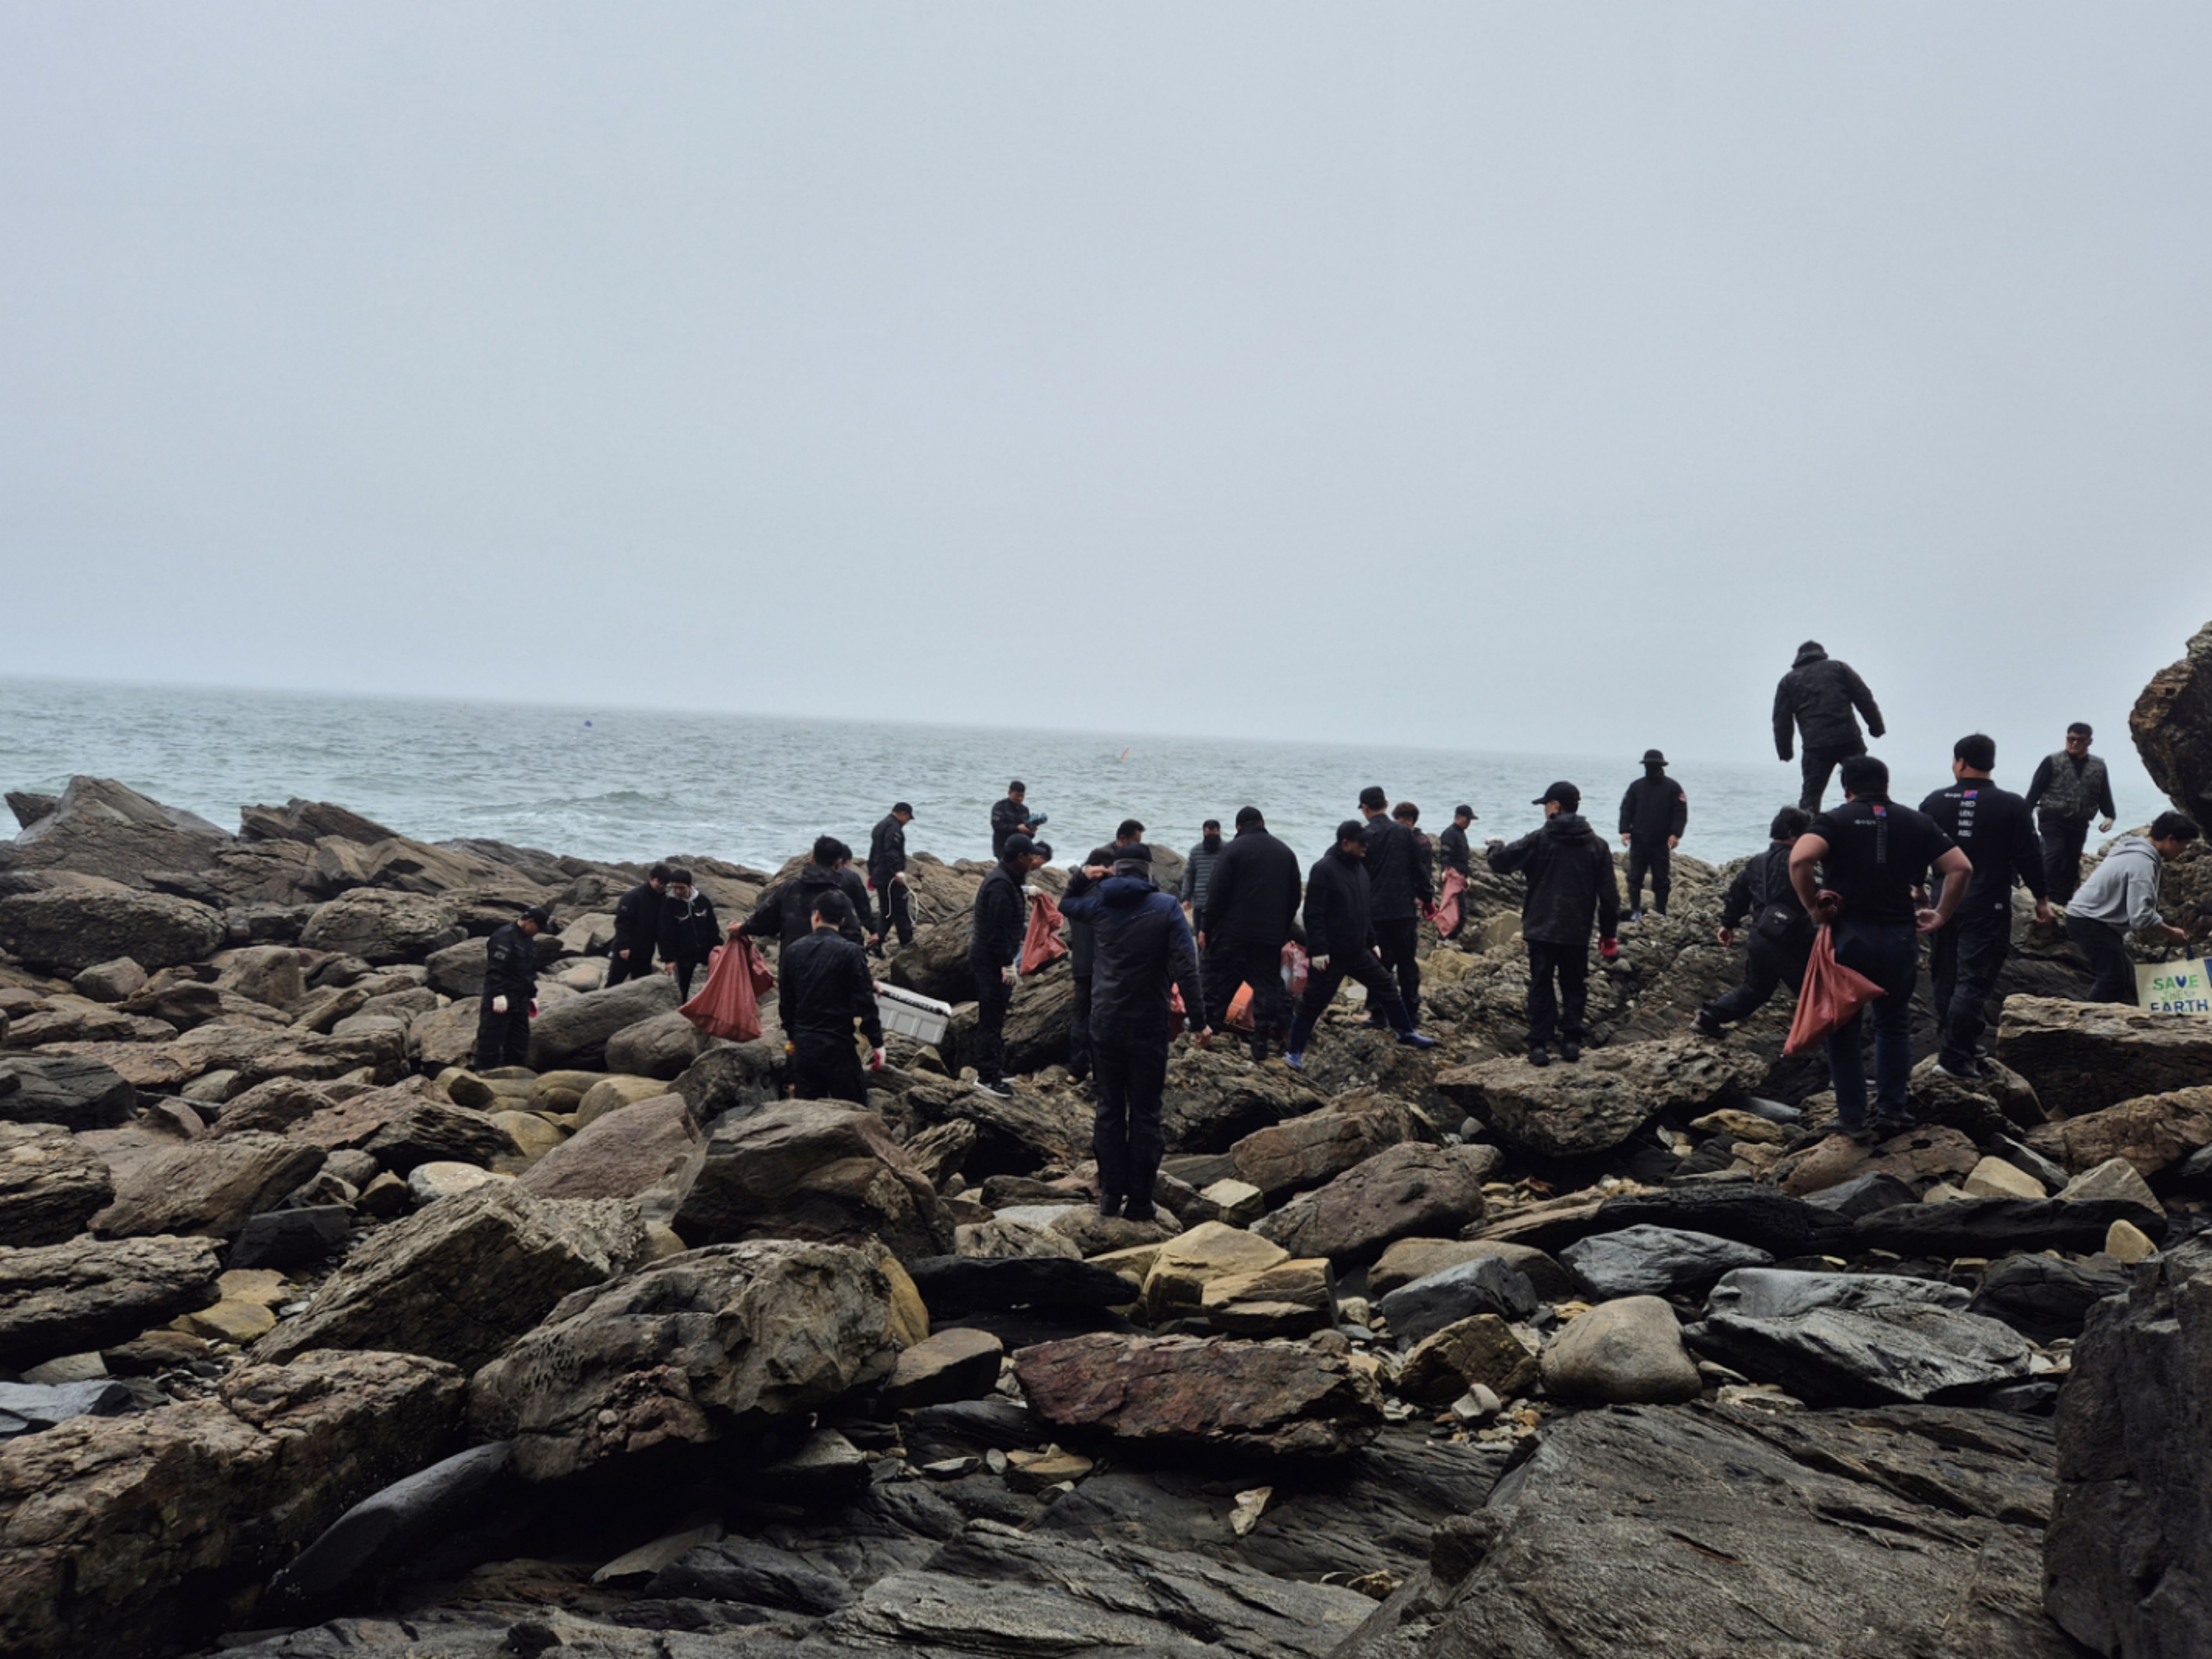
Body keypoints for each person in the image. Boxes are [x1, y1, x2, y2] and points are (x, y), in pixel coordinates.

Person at [1788, 755, 1971, 1140]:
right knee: (1893, 1024)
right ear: (1886, 785)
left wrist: (1813, 908)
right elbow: (1961, 868)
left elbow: (1800, 859)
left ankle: (1852, 1117)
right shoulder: (1916, 822)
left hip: (1850, 939)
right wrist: (1942, 913)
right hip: (1898, 938)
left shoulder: (1835, 820)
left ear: (1846, 788)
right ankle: (1892, 1110)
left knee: (1842, 1027)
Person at [1060, 843, 1211, 1220]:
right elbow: (1187, 967)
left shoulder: (1098, 904)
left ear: (1115, 870)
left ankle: (1110, 1197)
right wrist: (1199, 1021)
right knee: (1145, 1113)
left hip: (1105, 1022)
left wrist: (1083, 876)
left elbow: (1066, 904)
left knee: (1109, 1109)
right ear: (1148, 872)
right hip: (1148, 1024)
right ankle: (1140, 1201)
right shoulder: (1167, 907)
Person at [1917, 734, 2051, 1077]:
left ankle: (1959, 1044)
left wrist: (1917, 886)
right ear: (1991, 761)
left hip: (1942, 904)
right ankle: (1953, 1058)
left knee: (1945, 977)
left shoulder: (1934, 802)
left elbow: (1916, 849)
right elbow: (2030, 856)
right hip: (1987, 905)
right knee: (1974, 980)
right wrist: (2041, 899)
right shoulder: (2012, 805)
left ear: (1960, 762)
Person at [1485, 783, 1620, 1066]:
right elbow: (1610, 896)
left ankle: (1539, 1045)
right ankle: (1571, 1042)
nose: (1545, 810)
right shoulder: (1598, 845)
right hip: (1577, 928)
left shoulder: (1539, 839)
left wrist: (1496, 845)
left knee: (1541, 984)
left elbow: (1501, 863)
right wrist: (1608, 935)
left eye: (1546, 805)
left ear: (1556, 806)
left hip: (1541, 925)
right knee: (1574, 984)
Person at [1284, 820, 1437, 1070]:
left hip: (1358, 951)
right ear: (1346, 843)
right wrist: (1319, 950)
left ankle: (1405, 1032)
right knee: (1313, 1002)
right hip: (1331, 954)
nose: (1366, 846)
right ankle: (1294, 1053)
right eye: (1361, 842)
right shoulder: (1324, 869)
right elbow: (1314, 913)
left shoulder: (1360, 869)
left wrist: (1372, 942)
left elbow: (1364, 911)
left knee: (1387, 985)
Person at [1692, 808, 1814, 1035]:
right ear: (1794, 835)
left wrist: (1728, 924)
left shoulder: (1757, 862)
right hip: (1793, 939)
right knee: (1815, 995)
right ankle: (1831, 1048)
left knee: (1755, 990)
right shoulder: (1800, 863)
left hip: (1761, 936)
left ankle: (1708, 1017)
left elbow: (1738, 893)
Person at [731, 836, 870, 1032]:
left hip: (794, 970)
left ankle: (792, 1043)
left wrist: (742, 928)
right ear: (838, 865)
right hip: (830, 975)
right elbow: (854, 940)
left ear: (812, 859)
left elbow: (764, 922)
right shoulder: (841, 900)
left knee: (794, 1025)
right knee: (829, 1027)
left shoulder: (789, 889)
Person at [1198, 805, 1303, 1061]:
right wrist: (1281, 929)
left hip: (1231, 933)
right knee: (1268, 986)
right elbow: (1294, 897)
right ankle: (1264, 1041)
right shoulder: (1286, 852)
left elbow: (1217, 894)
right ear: (1263, 822)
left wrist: (1206, 928)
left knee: (1217, 983)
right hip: (1268, 937)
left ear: (1238, 827)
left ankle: (1208, 1032)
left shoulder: (1232, 850)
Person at [2064, 811, 2199, 1003]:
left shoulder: (2132, 850)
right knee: (2113, 980)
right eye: (2184, 845)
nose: (2184, 851)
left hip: (2090, 919)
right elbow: (2140, 917)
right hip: (2090, 921)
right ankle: (2088, 1020)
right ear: (2171, 839)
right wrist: (2171, 933)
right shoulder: (2142, 863)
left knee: (2124, 975)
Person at [1061, 821, 1151, 1085]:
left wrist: (1079, 878)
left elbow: (1064, 904)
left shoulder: (1079, 899)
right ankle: (1105, 1072)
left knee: (1081, 1017)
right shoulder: (1106, 899)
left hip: (1082, 965)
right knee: (1108, 1020)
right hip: (1106, 967)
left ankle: (1077, 1070)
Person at [779, 891, 886, 1104]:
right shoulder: (851, 952)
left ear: (816, 915)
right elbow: (865, 1002)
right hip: (839, 1046)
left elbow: (787, 1002)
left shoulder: (792, 951)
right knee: (853, 1110)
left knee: (809, 1112)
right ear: (843, 920)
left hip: (805, 1045)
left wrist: (792, 1036)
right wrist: (877, 1043)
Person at [969, 832, 1050, 1097]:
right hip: (990, 961)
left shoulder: (1010, 879)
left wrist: (1026, 892)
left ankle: (993, 1066)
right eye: (1031, 856)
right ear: (1020, 857)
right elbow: (997, 933)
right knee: (991, 1017)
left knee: (998, 1014)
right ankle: (986, 1076)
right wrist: (1007, 964)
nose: (1034, 861)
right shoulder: (1000, 885)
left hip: (995, 958)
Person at [1773, 641, 1886, 812]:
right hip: (1848, 739)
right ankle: (1870, 819)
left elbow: (1782, 719)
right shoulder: (1839, 668)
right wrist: (1876, 728)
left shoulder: (1788, 681)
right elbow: (1864, 698)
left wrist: (1785, 751)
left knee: (1811, 796)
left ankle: (1809, 826)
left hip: (1815, 747)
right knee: (1863, 786)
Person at [1358, 786, 1434, 1025]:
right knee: (1407, 961)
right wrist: (1427, 898)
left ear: (1365, 809)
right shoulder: (1404, 832)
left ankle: (1378, 1012)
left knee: (1379, 963)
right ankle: (1411, 1011)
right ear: (1386, 805)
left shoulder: (1364, 836)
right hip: (1403, 907)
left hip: (1374, 910)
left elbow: (1357, 875)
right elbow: (1418, 869)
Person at [2027, 724, 2119, 904]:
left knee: (2071, 860)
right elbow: (2036, 789)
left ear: (2089, 741)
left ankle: (2064, 900)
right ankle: (2044, 895)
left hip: (2079, 821)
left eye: (2079, 740)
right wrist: (2026, 812)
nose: (2074, 743)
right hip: (2052, 818)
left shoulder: (2098, 766)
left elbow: (2103, 792)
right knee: (2054, 853)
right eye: (2071, 739)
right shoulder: (2052, 761)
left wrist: (2109, 816)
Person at [1617, 749, 1688, 922]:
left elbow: (1680, 813)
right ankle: (1635, 911)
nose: (1651, 768)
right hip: (1639, 841)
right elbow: (1626, 809)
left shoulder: (1673, 788)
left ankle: (1662, 912)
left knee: (1661, 880)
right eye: (1648, 765)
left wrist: (1675, 834)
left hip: (1661, 842)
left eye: (1654, 765)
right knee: (1635, 878)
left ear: (1661, 766)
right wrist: (1625, 830)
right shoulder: (1636, 787)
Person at [476, 905, 551, 1069]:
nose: (539, 932)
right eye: (539, 928)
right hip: (501, 998)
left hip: (521, 998)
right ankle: (484, 1073)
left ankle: (514, 1074)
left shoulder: (528, 940)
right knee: (491, 1039)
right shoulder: (504, 938)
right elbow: (495, 970)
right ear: (530, 922)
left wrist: (532, 995)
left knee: (519, 1041)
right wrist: (498, 994)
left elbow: (529, 970)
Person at [655, 867, 720, 999]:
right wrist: (668, 959)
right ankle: (683, 1007)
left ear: (691, 886)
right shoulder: (668, 904)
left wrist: (718, 945)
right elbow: (664, 933)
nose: (678, 891)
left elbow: (712, 926)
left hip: (705, 949)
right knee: (682, 988)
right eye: (675, 888)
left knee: (717, 979)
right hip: (683, 954)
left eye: (682, 888)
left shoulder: (703, 901)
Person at [607, 864, 669, 986]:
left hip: (647, 949)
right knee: (615, 981)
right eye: (660, 883)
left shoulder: (664, 899)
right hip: (627, 947)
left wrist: (666, 954)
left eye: (666, 884)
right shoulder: (632, 897)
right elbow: (622, 923)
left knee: (642, 984)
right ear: (651, 879)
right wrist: (624, 946)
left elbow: (663, 928)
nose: (662, 887)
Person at [867, 802, 916, 952]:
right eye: (908, 818)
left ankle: (877, 940)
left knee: (887, 911)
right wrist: (897, 871)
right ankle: (907, 943)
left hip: (879, 875)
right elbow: (891, 851)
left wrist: (871, 872)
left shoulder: (880, 826)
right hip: (890, 878)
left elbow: (873, 853)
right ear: (903, 814)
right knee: (900, 910)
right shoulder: (894, 828)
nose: (907, 822)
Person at [1436, 805, 1478, 940]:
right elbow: (1445, 855)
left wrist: (1468, 876)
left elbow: (1464, 858)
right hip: (1452, 878)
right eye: (1467, 820)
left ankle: (1449, 938)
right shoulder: (1450, 833)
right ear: (1459, 817)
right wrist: (1445, 871)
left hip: (1461, 878)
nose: (1469, 823)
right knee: (1454, 911)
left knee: (1460, 911)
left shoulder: (1461, 833)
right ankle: (1446, 938)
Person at [1180, 820, 1224, 936]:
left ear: (1219, 832)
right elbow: (1189, 875)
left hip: (1222, 903)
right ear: (1204, 833)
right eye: (1209, 835)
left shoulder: (1228, 850)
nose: (1212, 838)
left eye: (1214, 835)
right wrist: (1186, 898)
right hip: (1200, 902)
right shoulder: (1196, 852)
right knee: (1200, 935)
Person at [991, 782, 1046, 857]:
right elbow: (997, 827)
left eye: (1022, 796)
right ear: (1010, 793)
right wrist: (1017, 828)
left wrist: (1031, 831)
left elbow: (1028, 835)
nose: (1020, 798)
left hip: (1020, 848)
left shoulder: (1025, 810)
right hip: (1003, 847)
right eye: (1017, 795)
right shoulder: (1000, 807)